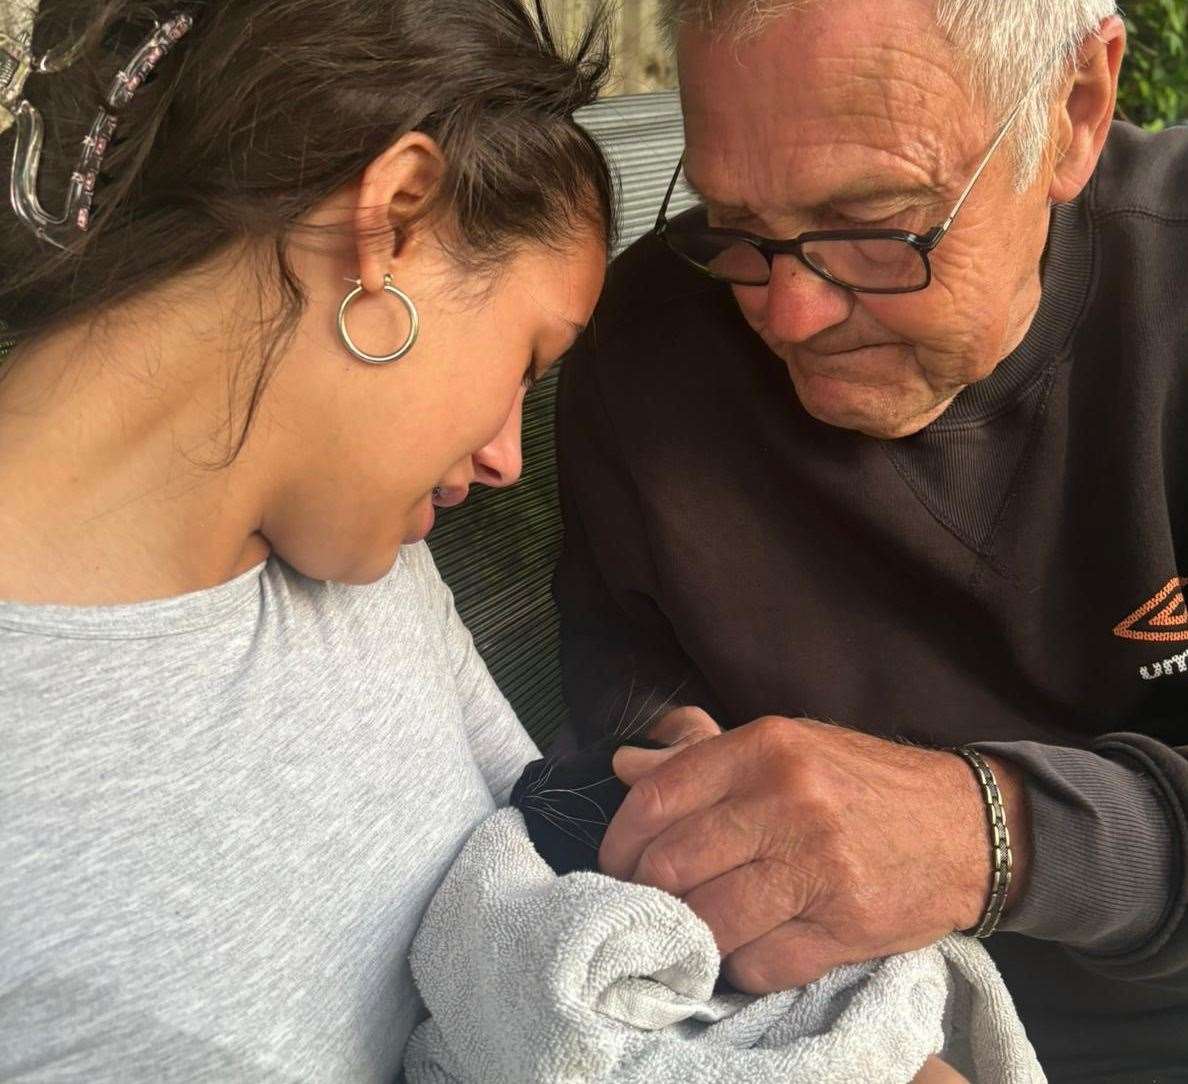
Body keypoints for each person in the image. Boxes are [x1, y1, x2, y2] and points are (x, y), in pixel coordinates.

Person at [553, 0, 1188, 1080]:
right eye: (737, 221)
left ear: (1074, 109)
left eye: (877, 222)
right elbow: (621, 695)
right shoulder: (645, 352)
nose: (788, 313)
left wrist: (990, 835)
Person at [0, 0, 610, 1078]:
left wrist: (645, 806)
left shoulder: (377, 564)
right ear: (393, 220)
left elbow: (540, 892)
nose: (511, 456)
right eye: (525, 362)